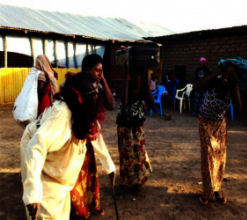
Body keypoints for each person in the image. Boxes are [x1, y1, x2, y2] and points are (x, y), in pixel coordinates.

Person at [20, 72, 116, 220]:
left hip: (59, 168)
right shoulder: (62, 115)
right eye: (93, 96)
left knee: (62, 208)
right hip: (38, 152)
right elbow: (36, 146)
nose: (97, 99)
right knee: (46, 212)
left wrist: (109, 166)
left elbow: (96, 137)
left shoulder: (84, 112)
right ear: (80, 98)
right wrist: (33, 192)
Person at [70, 54, 116, 218]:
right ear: (86, 70)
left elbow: (111, 105)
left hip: (90, 137)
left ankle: (92, 203)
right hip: (74, 136)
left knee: (90, 172)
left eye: (101, 71)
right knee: (74, 172)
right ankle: (77, 208)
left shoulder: (97, 87)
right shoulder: (74, 86)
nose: (99, 73)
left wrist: (103, 80)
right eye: (97, 70)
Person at [193, 62, 242, 205]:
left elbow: (238, 111)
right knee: (208, 154)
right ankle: (206, 190)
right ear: (222, 72)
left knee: (220, 158)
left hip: (220, 124)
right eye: (226, 72)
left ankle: (215, 189)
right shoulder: (214, 82)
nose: (227, 75)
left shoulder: (232, 89)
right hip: (205, 122)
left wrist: (236, 85)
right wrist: (214, 74)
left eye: (231, 73)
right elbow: (196, 86)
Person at [116, 66, 155, 196]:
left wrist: (148, 85)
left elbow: (152, 106)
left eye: (141, 73)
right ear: (131, 73)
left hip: (138, 124)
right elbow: (125, 102)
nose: (139, 75)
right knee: (126, 153)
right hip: (124, 124)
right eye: (136, 72)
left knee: (138, 154)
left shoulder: (144, 86)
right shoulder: (125, 85)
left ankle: (138, 183)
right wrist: (127, 80)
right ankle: (126, 181)